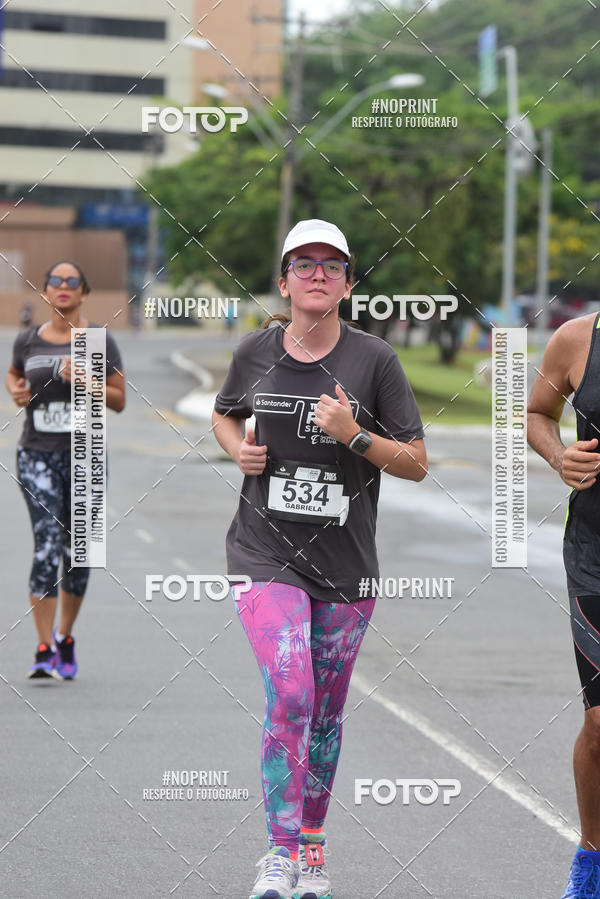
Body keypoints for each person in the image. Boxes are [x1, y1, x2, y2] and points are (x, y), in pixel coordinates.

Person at [212, 219, 427, 899]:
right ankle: (277, 854)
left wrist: (354, 435)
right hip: (263, 551)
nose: (317, 274)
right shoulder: (254, 352)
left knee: (327, 715)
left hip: (346, 564)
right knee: (292, 692)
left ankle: (311, 848)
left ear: (348, 284)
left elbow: (416, 461)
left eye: (332, 265)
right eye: (303, 263)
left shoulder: (375, 361)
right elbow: (224, 413)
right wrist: (238, 450)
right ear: (284, 281)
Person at [6, 261, 125, 679]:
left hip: (85, 455)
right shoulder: (28, 339)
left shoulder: (98, 341)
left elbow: (119, 399)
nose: (62, 286)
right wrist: (16, 390)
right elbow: (14, 374)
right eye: (55, 281)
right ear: (44, 292)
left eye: (72, 281)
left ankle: (65, 636)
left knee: (78, 553)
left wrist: (88, 381)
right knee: (46, 544)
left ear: (83, 293)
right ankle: (42, 648)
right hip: (36, 454)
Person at [528, 311, 600, 898]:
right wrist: (560, 457)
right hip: (594, 556)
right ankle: (592, 860)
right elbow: (537, 414)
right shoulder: (577, 339)